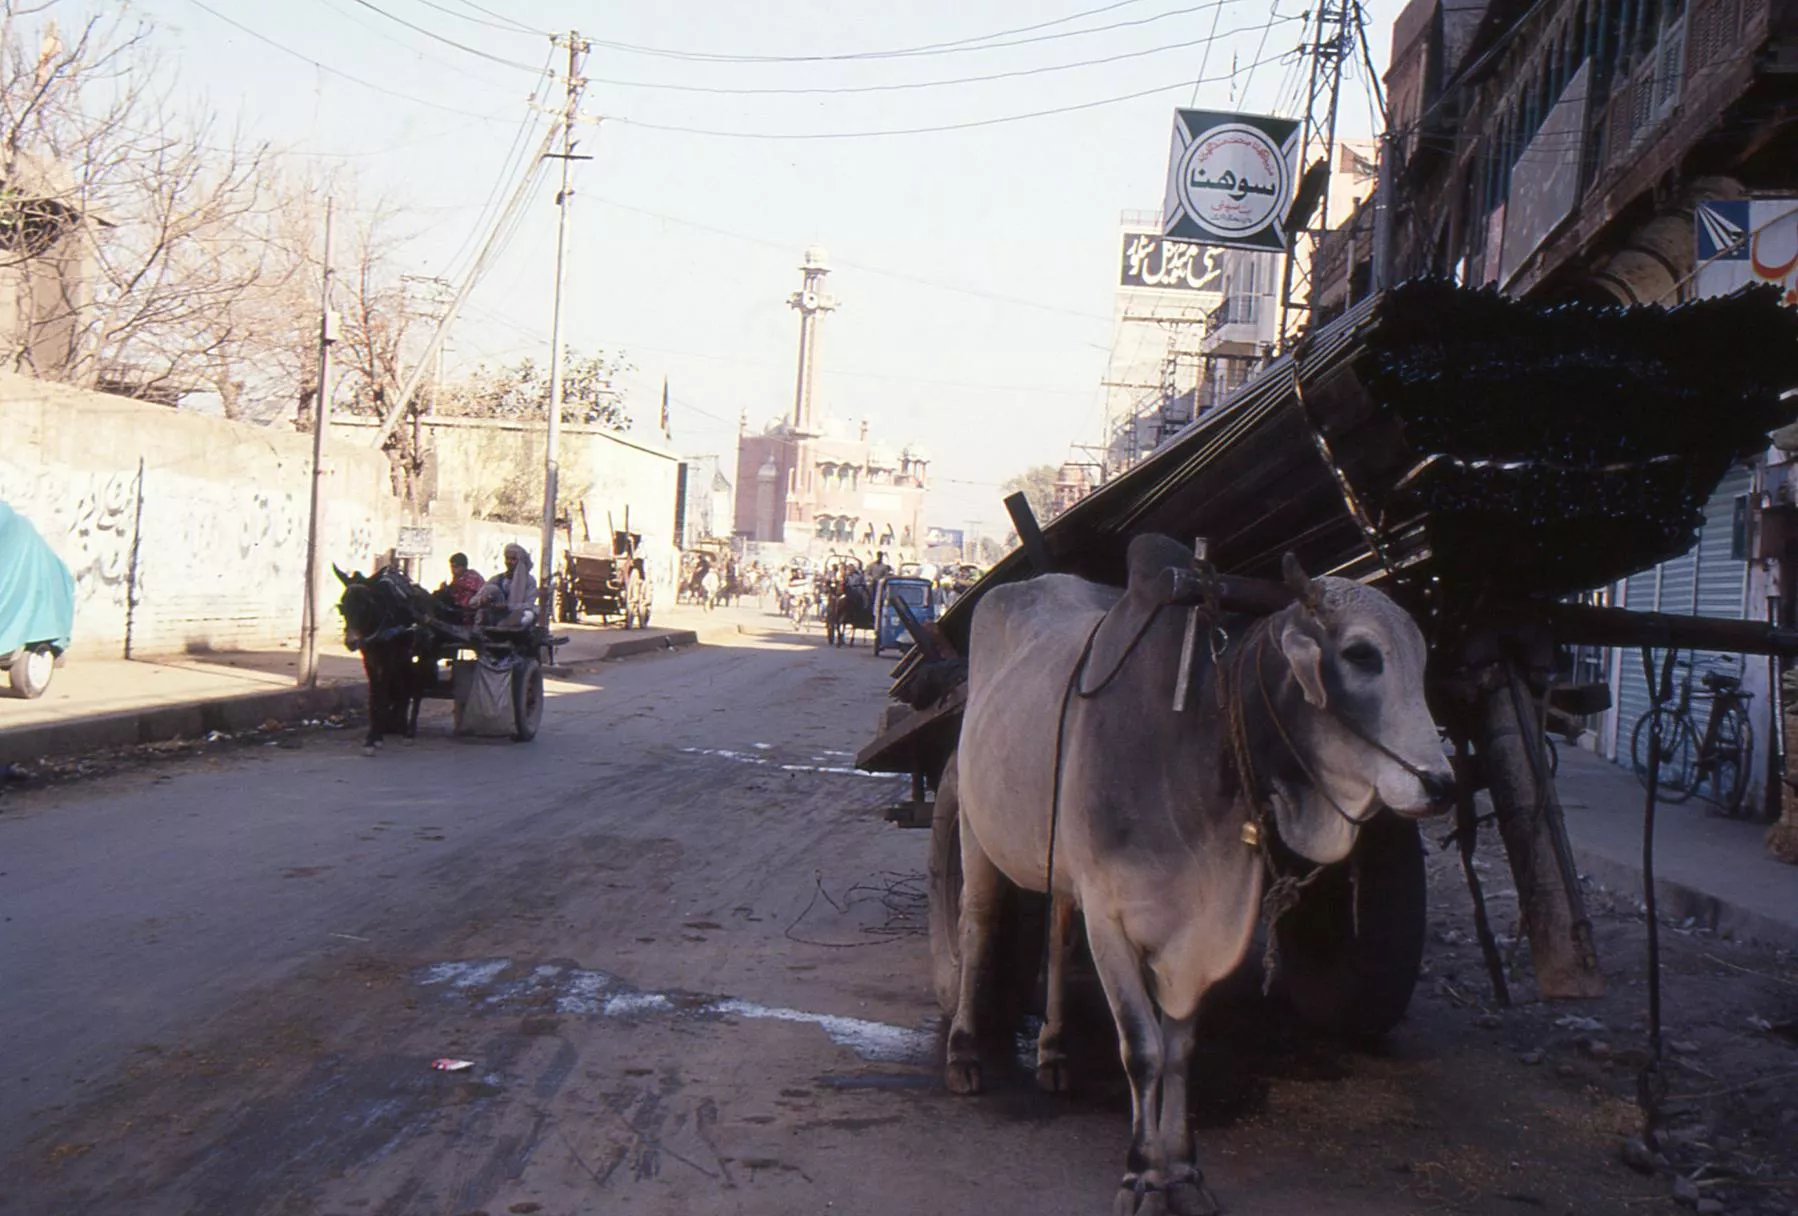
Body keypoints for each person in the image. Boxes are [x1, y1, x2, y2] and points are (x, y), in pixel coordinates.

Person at [469, 543, 538, 628]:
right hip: (496, 615)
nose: (509, 562)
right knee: (491, 589)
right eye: (507, 558)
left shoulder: (530, 581)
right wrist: (482, 600)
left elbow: (529, 604)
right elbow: (473, 601)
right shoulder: (497, 579)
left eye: (513, 559)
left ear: (520, 561)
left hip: (516, 614)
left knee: (528, 615)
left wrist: (507, 607)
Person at [434, 552, 485, 623]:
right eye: (451, 567)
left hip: (468, 612)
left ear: (464, 566)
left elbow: (466, 597)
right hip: (457, 609)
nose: (453, 570)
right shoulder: (457, 578)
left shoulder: (473, 577)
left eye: (456, 567)